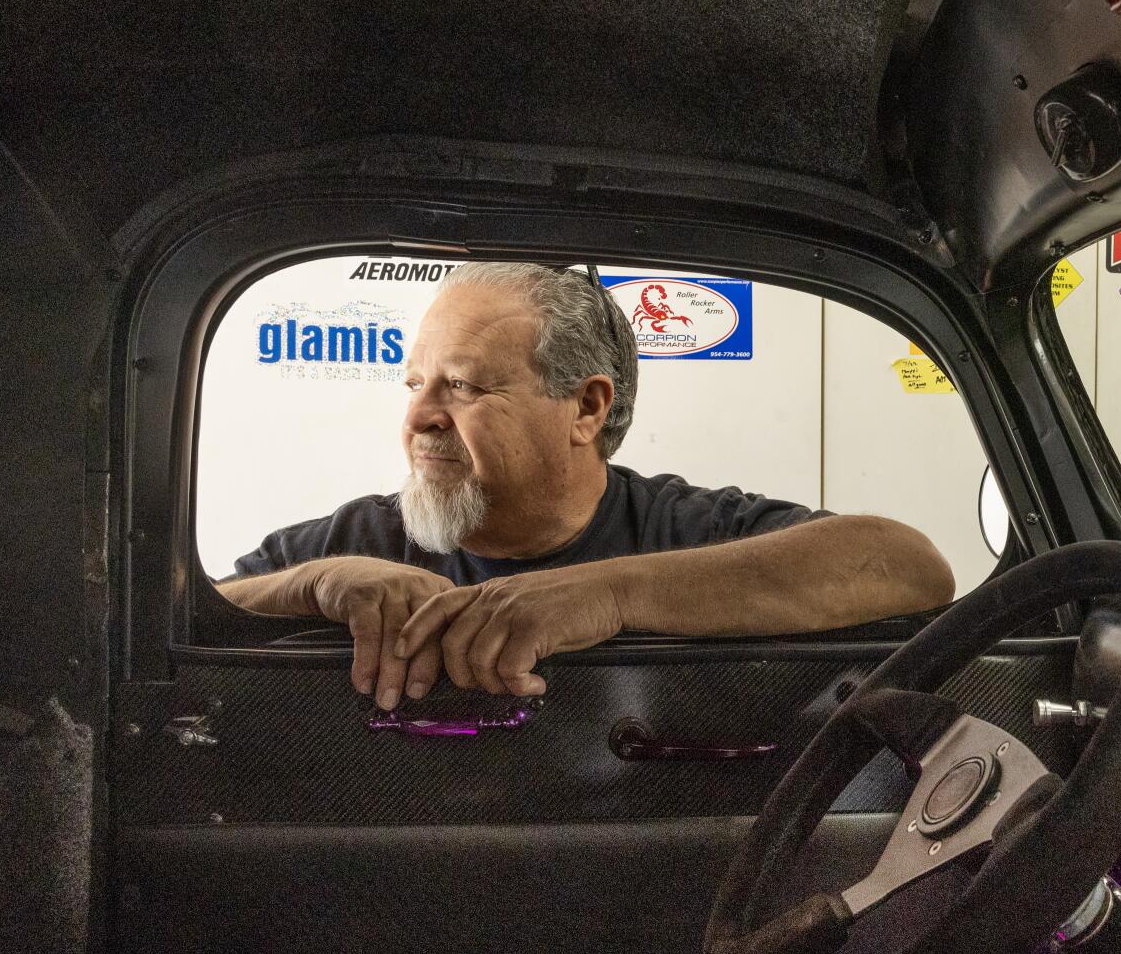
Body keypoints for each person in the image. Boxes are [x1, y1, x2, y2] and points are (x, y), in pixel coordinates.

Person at [218, 261, 956, 709]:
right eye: (415, 383)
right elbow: (188, 617)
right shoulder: (355, 546)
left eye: (463, 386)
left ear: (586, 407)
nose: (417, 416)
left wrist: (610, 595)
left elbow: (910, 567)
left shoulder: (684, 528)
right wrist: (313, 583)